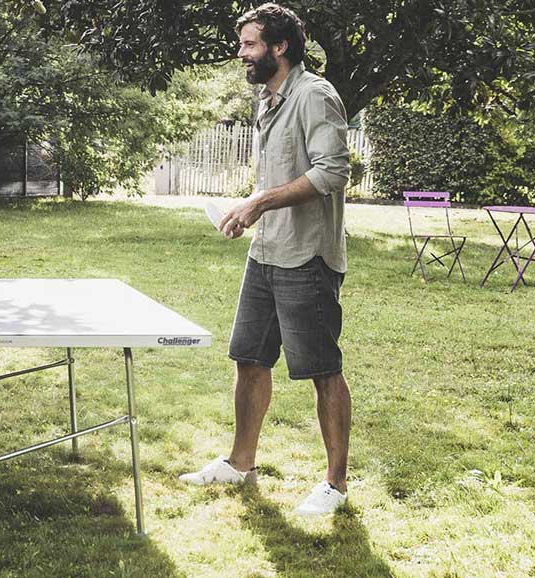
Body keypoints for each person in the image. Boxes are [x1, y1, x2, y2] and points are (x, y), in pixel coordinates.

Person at [180, 3, 354, 517]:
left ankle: (336, 485)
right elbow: (277, 177)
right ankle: (240, 464)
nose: (241, 53)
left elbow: (331, 172)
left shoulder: (314, 95)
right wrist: (247, 210)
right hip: (266, 253)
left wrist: (260, 202)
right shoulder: (268, 99)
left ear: (280, 47)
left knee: (322, 369)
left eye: (250, 44)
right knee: (250, 358)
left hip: (307, 256)